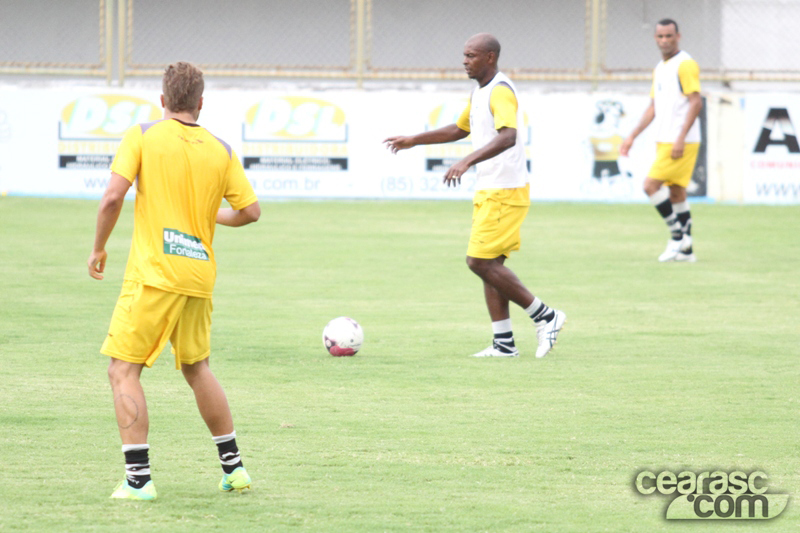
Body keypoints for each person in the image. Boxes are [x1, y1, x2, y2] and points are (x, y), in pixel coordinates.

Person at [88, 62, 261, 500]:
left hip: (155, 273)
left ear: (162, 100)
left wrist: (98, 247)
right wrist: (208, 217)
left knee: (122, 370)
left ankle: (138, 481)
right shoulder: (220, 148)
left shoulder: (143, 135)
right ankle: (235, 470)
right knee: (196, 367)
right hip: (198, 273)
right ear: (201, 103)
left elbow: (112, 196)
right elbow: (250, 211)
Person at [384, 33, 566, 358]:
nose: (464, 61)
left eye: (470, 55)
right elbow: (460, 129)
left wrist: (467, 160)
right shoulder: (480, 91)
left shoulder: (501, 91)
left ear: (490, 57)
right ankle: (504, 344)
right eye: (464, 55)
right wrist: (414, 139)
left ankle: (545, 315)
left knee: (479, 261)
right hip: (492, 188)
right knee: (490, 264)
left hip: (504, 190)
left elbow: (509, 136)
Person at [620, 18, 703, 262]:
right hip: (664, 139)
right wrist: (633, 135)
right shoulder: (660, 67)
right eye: (660, 36)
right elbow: (654, 107)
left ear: (679, 36)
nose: (665, 40)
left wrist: (680, 138)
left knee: (650, 186)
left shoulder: (685, 64)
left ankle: (677, 237)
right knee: (676, 192)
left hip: (681, 141)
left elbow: (696, 101)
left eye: (669, 36)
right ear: (655, 38)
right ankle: (687, 250)